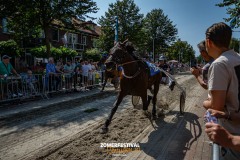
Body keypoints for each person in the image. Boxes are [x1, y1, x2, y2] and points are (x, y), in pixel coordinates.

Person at [203, 22, 240, 160]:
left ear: (208, 42)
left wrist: (204, 103)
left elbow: (215, 106)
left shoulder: (219, 64)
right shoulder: (237, 58)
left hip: (232, 134)